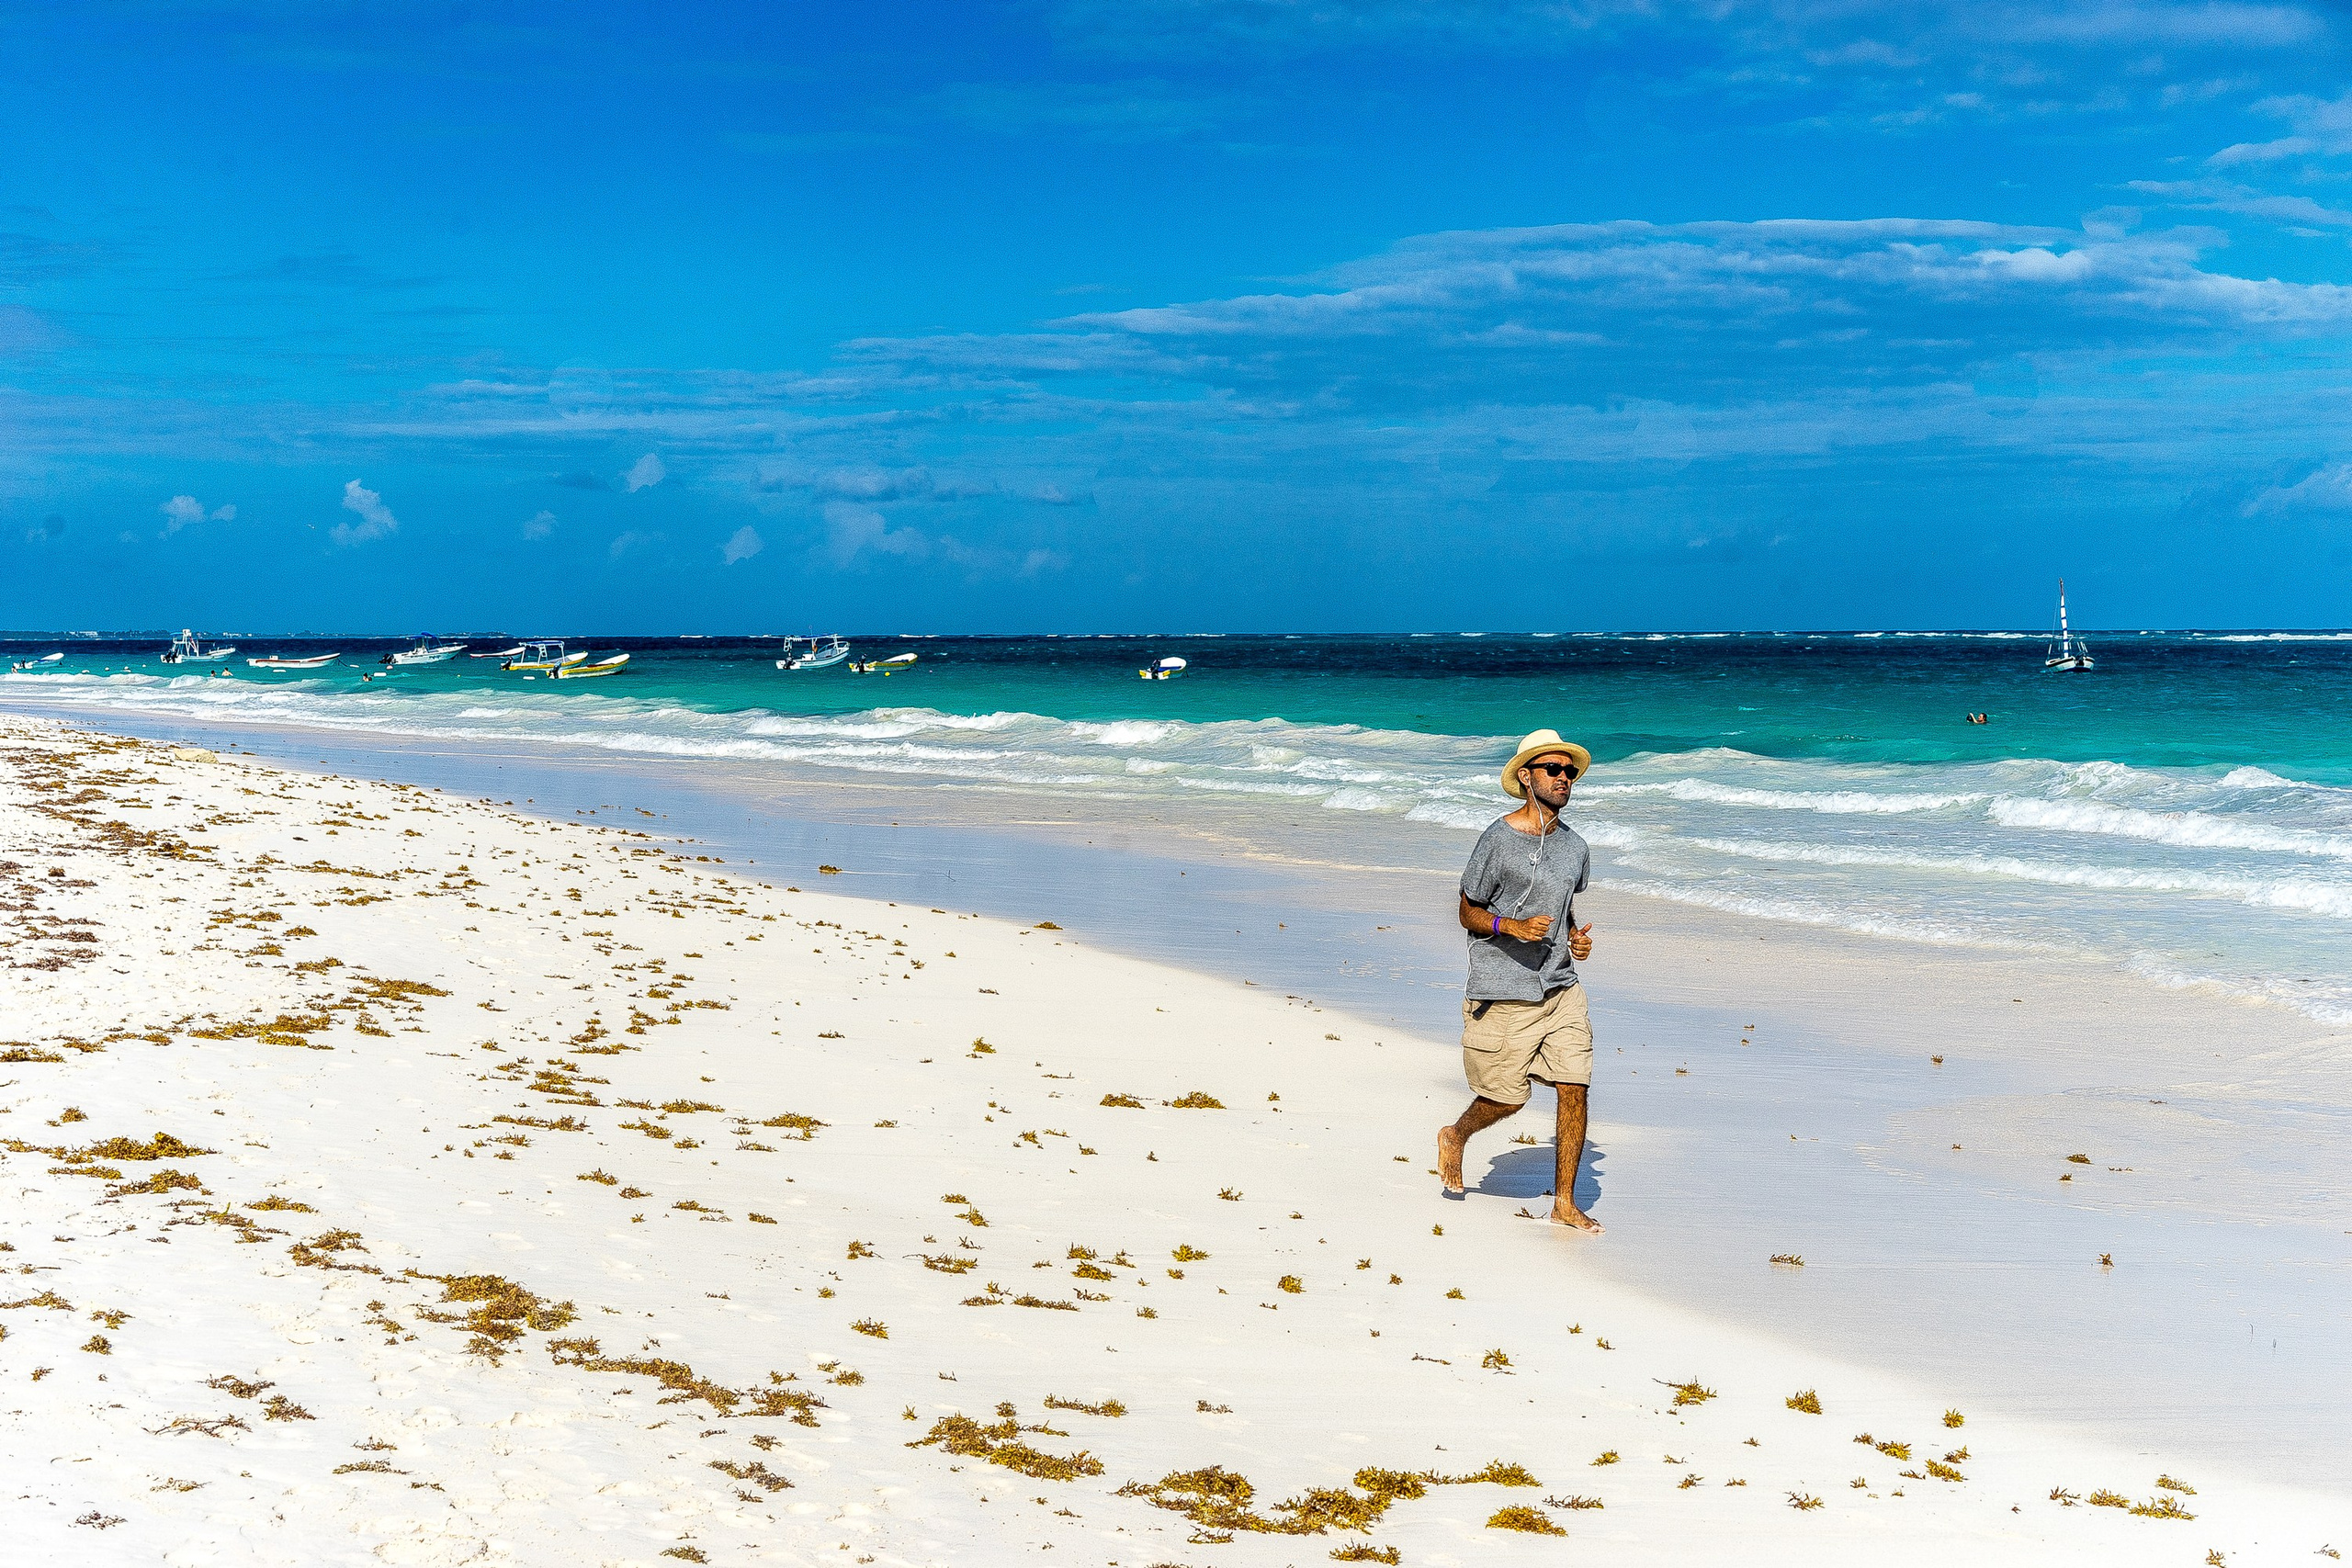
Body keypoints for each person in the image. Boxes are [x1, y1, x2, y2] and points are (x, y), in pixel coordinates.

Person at [1438, 728, 1601, 1232]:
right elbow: (1466, 910)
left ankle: (1565, 1204)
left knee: (1575, 1086)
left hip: (1560, 987)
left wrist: (1575, 939)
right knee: (1507, 1098)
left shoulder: (1575, 847)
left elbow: (1565, 907)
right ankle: (1457, 1134)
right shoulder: (1498, 838)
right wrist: (1510, 926)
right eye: (1553, 770)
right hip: (1503, 991)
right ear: (1527, 777)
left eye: (1569, 771)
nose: (1564, 779)